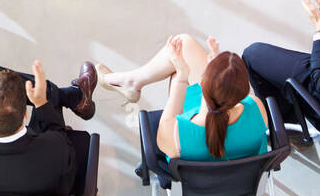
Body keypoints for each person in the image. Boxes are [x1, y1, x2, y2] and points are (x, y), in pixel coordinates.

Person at [97, 35, 269, 161]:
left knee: (184, 43)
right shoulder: (258, 109)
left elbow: (169, 125)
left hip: (190, 188)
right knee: (185, 44)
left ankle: (131, 83)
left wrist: (182, 75)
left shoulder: (177, 133)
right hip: (239, 183)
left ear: (202, 83)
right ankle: (132, 82)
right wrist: (220, 76)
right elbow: (238, 97)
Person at [0, 57, 98, 196]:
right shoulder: (55, 149)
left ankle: (76, 96)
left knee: (2, 85)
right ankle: (75, 96)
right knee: (47, 96)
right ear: (26, 114)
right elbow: (57, 131)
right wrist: (42, 103)